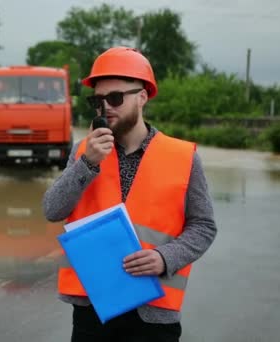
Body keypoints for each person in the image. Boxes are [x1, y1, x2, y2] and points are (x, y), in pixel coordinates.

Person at [42, 46, 217, 342]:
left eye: (115, 98)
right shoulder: (85, 152)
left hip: (154, 313)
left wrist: (165, 257)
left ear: (142, 96)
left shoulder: (183, 156)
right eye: (97, 100)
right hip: (92, 311)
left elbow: (204, 226)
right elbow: (52, 209)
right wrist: (87, 164)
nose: (105, 107)